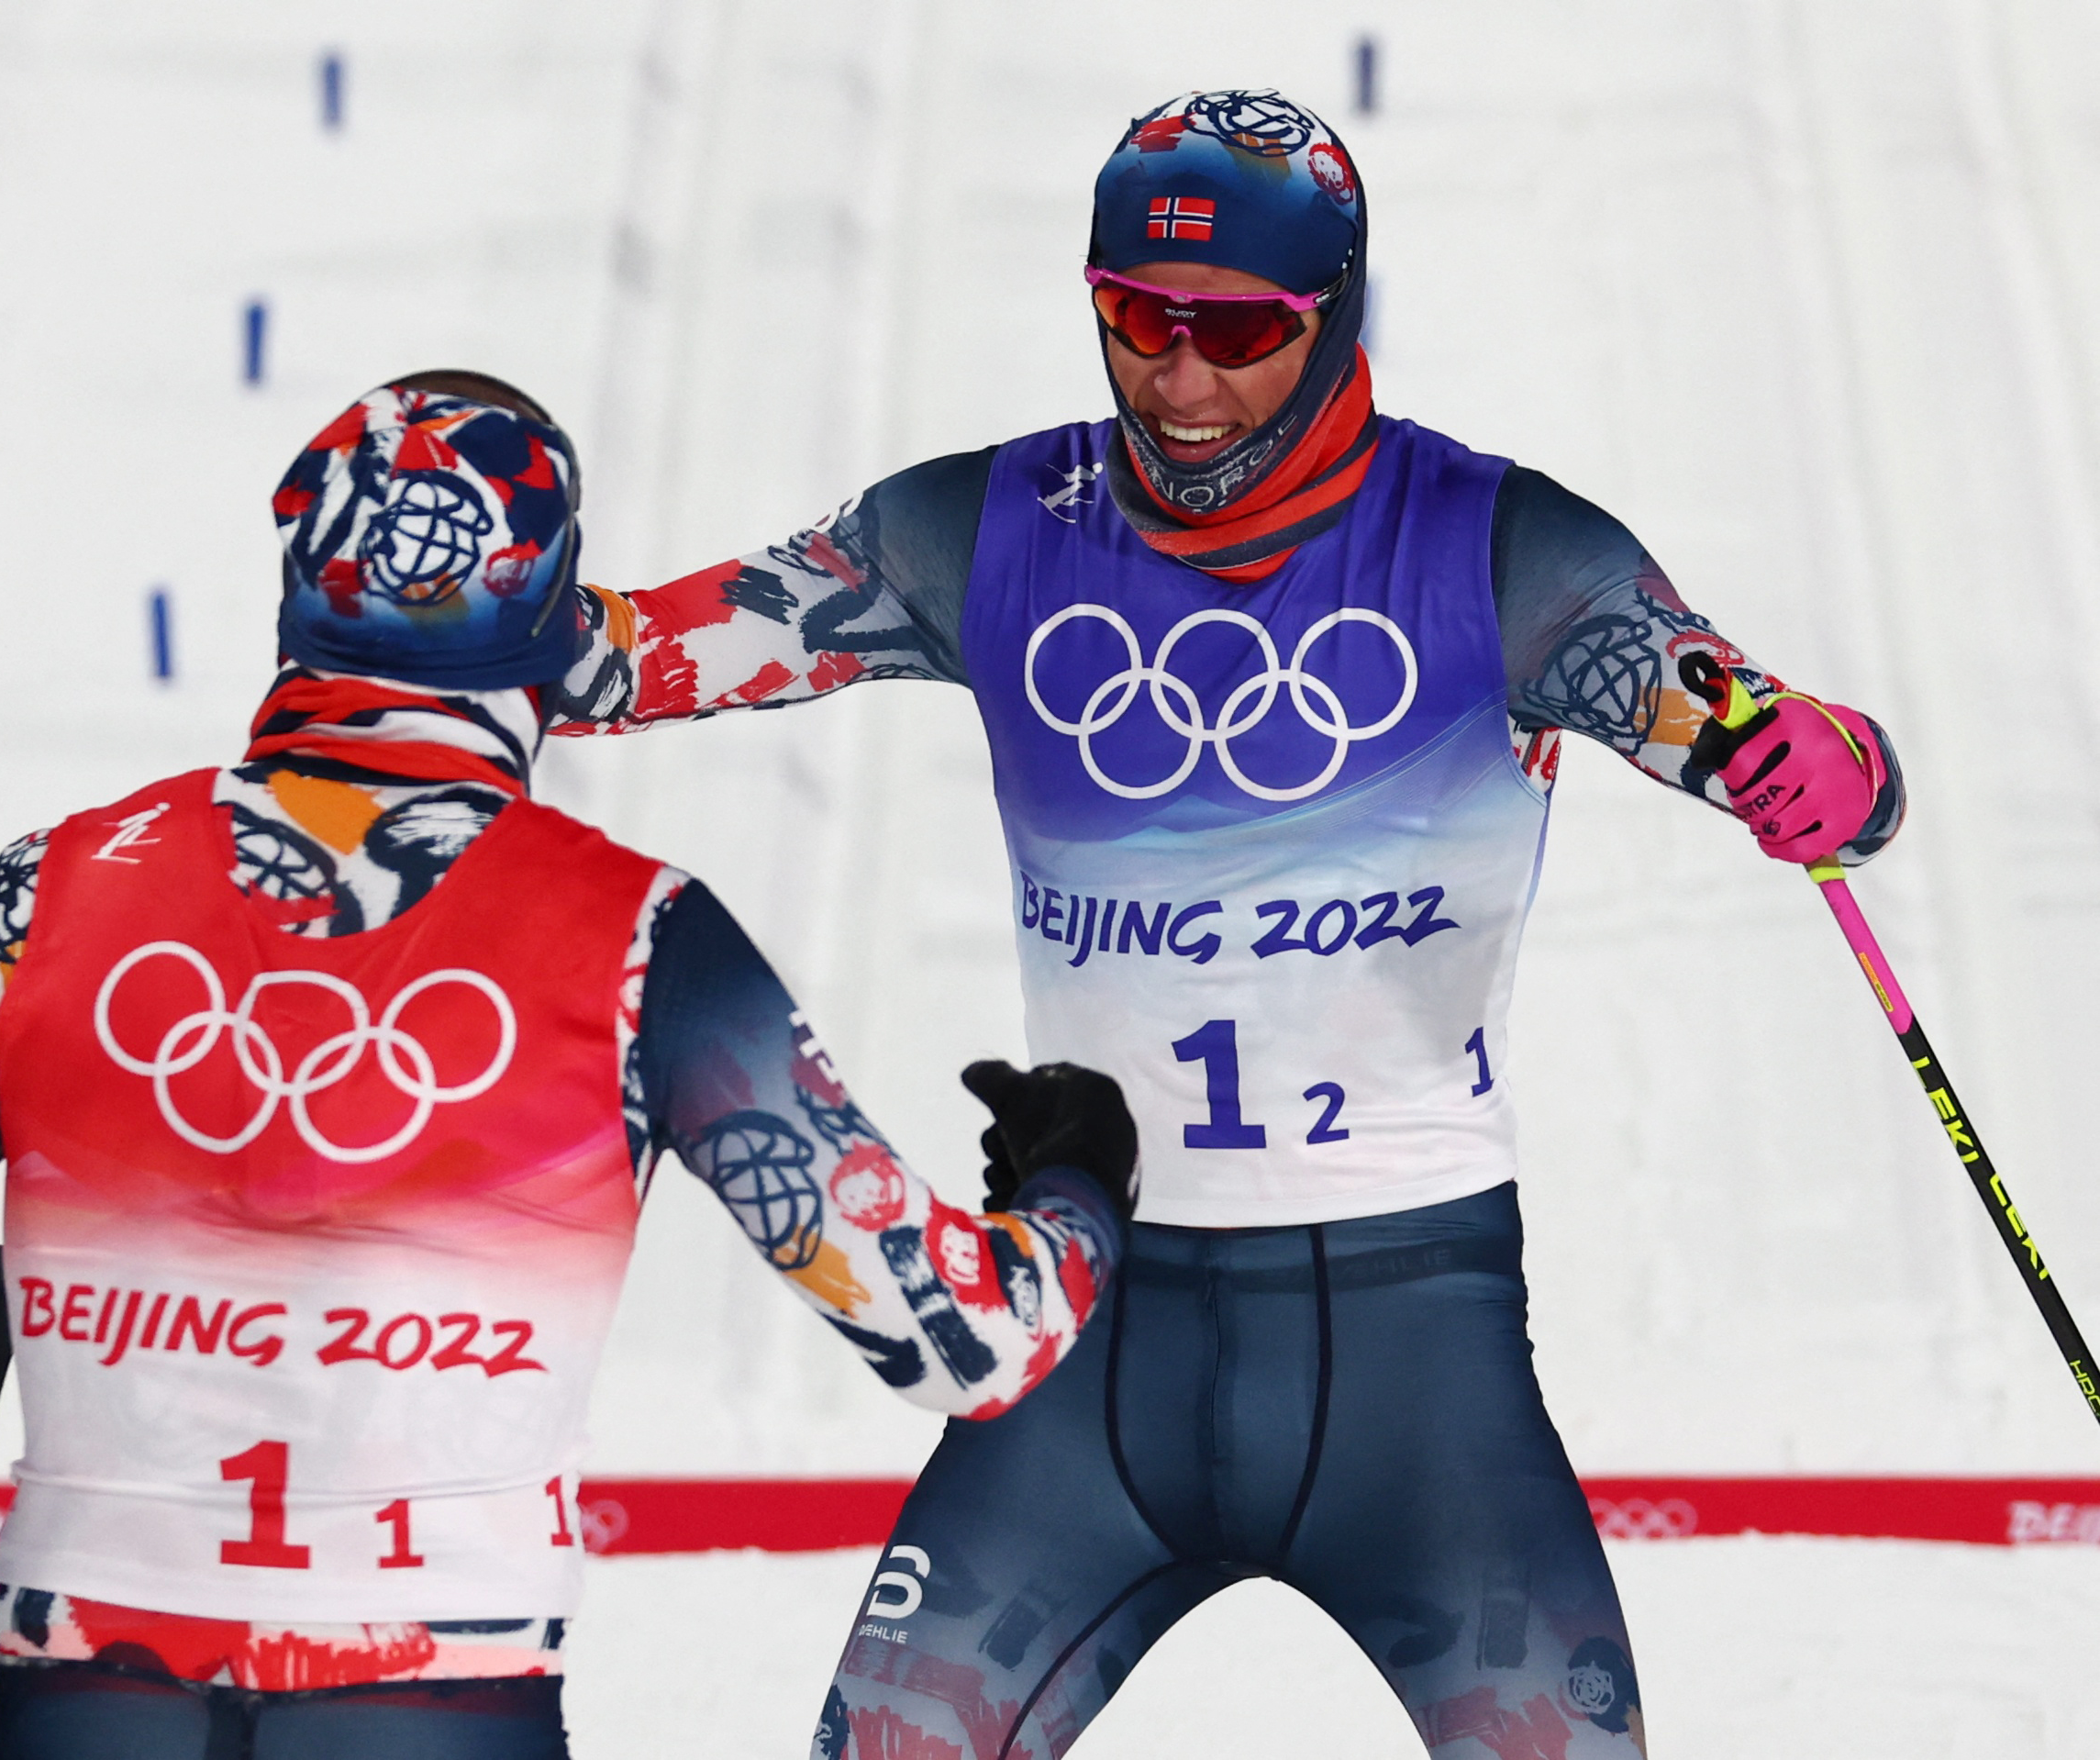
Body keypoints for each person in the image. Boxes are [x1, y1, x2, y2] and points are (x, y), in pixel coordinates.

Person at [550, 91, 1904, 1759]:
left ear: (1334, 316)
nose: (1179, 383)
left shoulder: (1502, 551)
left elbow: (1780, 739)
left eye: (1239, 332)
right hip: (1090, 1333)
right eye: (1133, 318)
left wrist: (1825, 766)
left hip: (1414, 1353)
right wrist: (440, 612)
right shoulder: (985, 527)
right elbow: (633, 655)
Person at [0, 372, 1138, 1760]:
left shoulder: (41, 895)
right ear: (555, 634)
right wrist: (1078, 1179)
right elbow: (966, 1346)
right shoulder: (644, 941)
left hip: (91, 1696)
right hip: (434, 1701)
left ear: (296, 603)